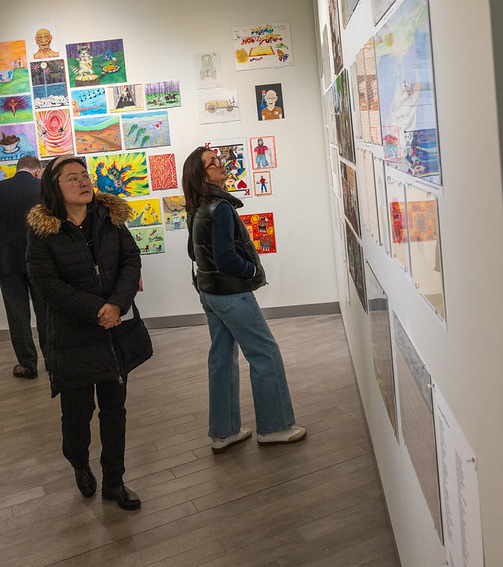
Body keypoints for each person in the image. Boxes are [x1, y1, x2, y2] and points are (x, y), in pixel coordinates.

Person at [26, 156, 152, 510]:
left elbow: (131, 260)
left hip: (113, 333)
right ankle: (79, 463)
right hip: (72, 337)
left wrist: (118, 304)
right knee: (77, 413)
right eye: (72, 178)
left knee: (114, 410)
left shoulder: (109, 218)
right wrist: (98, 310)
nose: (83, 182)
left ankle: (115, 481)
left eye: (85, 176)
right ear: (54, 187)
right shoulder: (43, 231)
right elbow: (45, 283)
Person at [182, 146, 306, 453]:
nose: (221, 164)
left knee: (221, 359)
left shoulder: (197, 206)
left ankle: (224, 433)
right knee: (265, 353)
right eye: (213, 163)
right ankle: (275, 427)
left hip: (209, 292)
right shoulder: (220, 207)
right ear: (202, 175)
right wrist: (250, 269)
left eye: (219, 159)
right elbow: (226, 258)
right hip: (230, 294)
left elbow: (193, 253)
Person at [0, 154, 47, 380]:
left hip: (6, 262)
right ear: (37, 171)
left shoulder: (1, 189)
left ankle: (28, 365)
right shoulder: (43, 188)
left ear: (17, 168)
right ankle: (52, 360)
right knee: (46, 312)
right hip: (40, 261)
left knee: (17, 316)